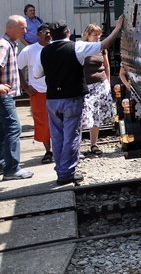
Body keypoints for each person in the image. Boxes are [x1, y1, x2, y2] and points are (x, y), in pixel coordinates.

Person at [37, 16, 123, 185]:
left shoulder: (44, 51)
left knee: (58, 136)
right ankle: (66, 173)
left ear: (51, 35)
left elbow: (36, 74)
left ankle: (61, 169)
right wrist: (117, 28)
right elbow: (103, 45)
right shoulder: (77, 47)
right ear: (68, 32)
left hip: (52, 99)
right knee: (71, 135)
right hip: (72, 98)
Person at [0, 15, 35, 180]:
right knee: (14, 128)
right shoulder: (4, 45)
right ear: (10, 28)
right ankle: (12, 169)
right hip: (3, 96)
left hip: (7, 95)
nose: (25, 31)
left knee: (3, 130)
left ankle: (3, 164)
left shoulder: (11, 45)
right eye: (22, 28)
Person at [17, 24, 53, 163]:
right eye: (45, 32)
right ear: (38, 34)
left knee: (60, 123)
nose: (48, 34)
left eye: (50, 32)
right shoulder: (29, 50)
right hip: (38, 92)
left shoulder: (55, 47)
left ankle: (60, 150)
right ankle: (48, 151)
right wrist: (25, 86)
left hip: (56, 92)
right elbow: (17, 67)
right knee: (42, 123)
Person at [80, 24, 112, 156]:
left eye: (99, 35)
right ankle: (77, 146)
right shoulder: (82, 48)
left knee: (96, 116)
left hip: (100, 84)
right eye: (95, 35)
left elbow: (107, 66)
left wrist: (108, 83)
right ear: (87, 35)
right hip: (87, 86)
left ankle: (94, 144)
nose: (98, 37)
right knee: (83, 115)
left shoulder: (102, 48)